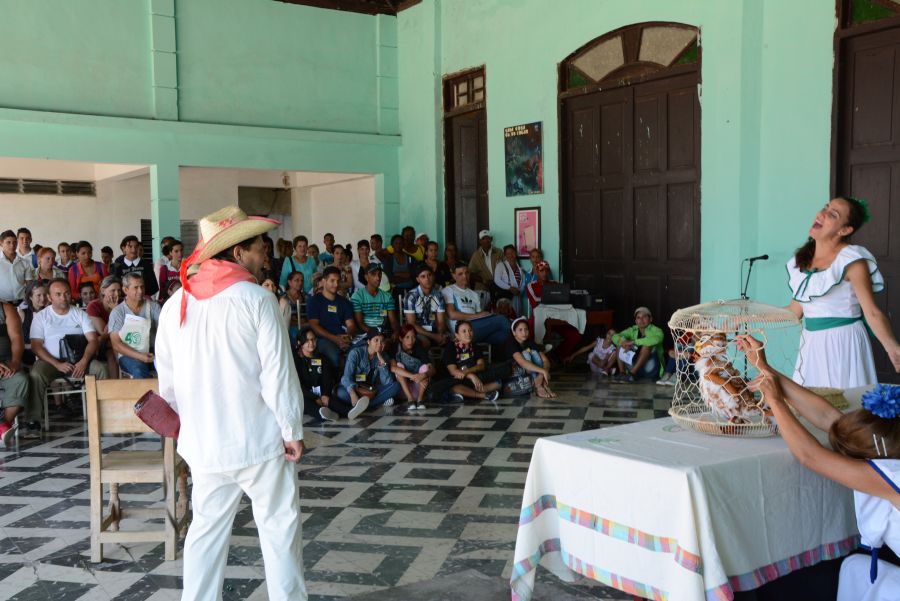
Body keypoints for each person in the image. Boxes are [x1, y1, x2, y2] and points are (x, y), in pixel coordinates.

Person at [155, 205, 307, 601]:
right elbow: (278, 374)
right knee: (279, 530)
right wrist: (292, 430)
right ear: (238, 253)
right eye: (259, 247)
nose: (265, 255)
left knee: (205, 533)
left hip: (205, 446)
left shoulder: (175, 306)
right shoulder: (257, 300)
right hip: (259, 442)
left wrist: (189, 427)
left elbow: (167, 384)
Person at [736, 335, 900, 601]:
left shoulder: (891, 477)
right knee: (853, 571)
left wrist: (776, 402)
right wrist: (764, 367)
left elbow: (810, 456)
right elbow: (829, 418)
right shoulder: (890, 446)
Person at [786, 196, 900, 387]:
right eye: (825, 207)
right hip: (812, 344)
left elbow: (872, 313)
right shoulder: (802, 261)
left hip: (844, 342)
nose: (822, 214)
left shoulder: (852, 259)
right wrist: (751, 318)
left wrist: (893, 348)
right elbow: (794, 312)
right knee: (810, 409)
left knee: (846, 409)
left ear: (845, 230)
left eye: (832, 214)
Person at [28, 278, 108, 421]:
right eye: (58, 294)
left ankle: (104, 415)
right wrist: (56, 364)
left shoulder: (80, 314)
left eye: (66, 293)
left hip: (79, 360)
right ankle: (33, 420)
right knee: (36, 374)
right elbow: (36, 346)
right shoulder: (41, 317)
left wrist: (84, 361)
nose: (63, 298)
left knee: (101, 369)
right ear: (49, 297)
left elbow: (93, 340)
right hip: (50, 362)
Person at [429, 321, 504, 403]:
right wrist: (471, 375)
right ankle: (484, 395)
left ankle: (464, 394)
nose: (468, 334)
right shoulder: (450, 348)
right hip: (452, 380)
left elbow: (481, 365)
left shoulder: (475, 347)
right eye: (464, 331)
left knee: (498, 383)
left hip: (470, 380)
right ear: (457, 335)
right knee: (455, 387)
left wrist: (468, 372)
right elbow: (454, 372)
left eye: (470, 330)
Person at [525, 260, 583, 360]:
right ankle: (535, 358)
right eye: (541, 271)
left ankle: (557, 355)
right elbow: (537, 303)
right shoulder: (531, 286)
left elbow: (563, 299)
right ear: (537, 272)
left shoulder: (555, 284)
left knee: (576, 335)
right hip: (538, 319)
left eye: (546, 271)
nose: (544, 273)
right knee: (527, 332)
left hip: (556, 318)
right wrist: (554, 298)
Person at [336, 330, 401, 418]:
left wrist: (382, 364)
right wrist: (352, 393)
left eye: (382, 341)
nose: (379, 344)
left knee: (396, 386)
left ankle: (362, 406)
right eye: (376, 340)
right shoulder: (356, 353)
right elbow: (346, 377)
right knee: (340, 393)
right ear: (368, 341)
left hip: (370, 391)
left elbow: (387, 382)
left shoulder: (384, 356)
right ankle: (369, 404)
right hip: (355, 389)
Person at [108, 273, 161, 378]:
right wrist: (140, 356)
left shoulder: (153, 307)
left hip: (152, 351)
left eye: (142, 287)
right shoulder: (118, 312)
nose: (140, 291)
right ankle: (146, 395)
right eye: (136, 288)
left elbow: (164, 330)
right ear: (125, 290)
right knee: (138, 370)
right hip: (128, 354)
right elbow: (116, 344)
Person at [442, 264, 510, 346]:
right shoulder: (448, 290)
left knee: (503, 336)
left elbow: (480, 317)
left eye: (467, 273)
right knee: (502, 320)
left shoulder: (474, 294)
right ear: (454, 276)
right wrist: (477, 316)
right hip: (461, 328)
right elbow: (451, 315)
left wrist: (487, 315)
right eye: (460, 274)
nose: (464, 276)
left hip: (476, 328)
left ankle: (495, 356)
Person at [293, 326, 347, 422]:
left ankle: (349, 411)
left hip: (321, 395)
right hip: (306, 396)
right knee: (304, 402)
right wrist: (314, 398)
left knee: (331, 400)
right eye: (307, 340)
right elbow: (297, 385)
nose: (311, 343)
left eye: (313, 340)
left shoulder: (322, 358)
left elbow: (328, 378)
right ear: (300, 343)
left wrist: (325, 394)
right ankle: (324, 414)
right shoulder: (296, 360)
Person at [307, 266, 356, 368]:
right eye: (332, 281)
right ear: (324, 281)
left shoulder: (344, 302)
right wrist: (334, 339)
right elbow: (313, 325)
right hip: (323, 339)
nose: (336, 284)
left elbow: (351, 325)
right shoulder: (314, 301)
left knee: (360, 351)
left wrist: (348, 336)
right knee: (334, 356)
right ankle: (336, 383)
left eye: (338, 281)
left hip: (343, 338)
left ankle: (352, 382)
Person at [0, 302, 30, 445]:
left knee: (20, 380)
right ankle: (2, 428)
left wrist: (15, 362)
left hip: (6, 363)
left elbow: (16, 338)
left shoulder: (5, 309)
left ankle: (2, 426)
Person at [505, 318, 556, 398]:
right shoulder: (510, 343)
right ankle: (539, 387)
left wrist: (542, 374)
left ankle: (542, 385)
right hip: (515, 371)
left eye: (526, 330)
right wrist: (542, 371)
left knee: (534, 353)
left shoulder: (530, 342)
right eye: (520, 330)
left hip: (530, 371)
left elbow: (545, 360)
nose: (524, 333)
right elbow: (522, 362)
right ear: (514, 332)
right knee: (525, 354)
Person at [613, 306, 665, 381]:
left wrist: (634, 342)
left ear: (650, 319)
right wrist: (624, 342)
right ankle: (622, 373)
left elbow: (656, 339)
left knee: (647, 345)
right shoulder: (632, 330)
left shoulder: (657, 330)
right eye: (638, 317)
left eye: (644, 317)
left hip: (650, 369)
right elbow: (615, 336)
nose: (641, 320)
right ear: (636, 321)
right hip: (633, 368)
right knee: (620, 344)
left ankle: (632, 374)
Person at [351, 263, 399, 344]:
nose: (378, 278)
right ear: (366, 277)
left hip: (383, 331)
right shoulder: (357, 296)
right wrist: (375, 333)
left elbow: (393, 321)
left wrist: (396, 331)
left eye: (379, 274)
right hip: (365, 334)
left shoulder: (387, 297)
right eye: (373, 274)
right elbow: (360, 323)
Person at [391, 324, 435, 411]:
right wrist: (412, 376)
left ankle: (420, 400)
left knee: (425, 368)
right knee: (399, 366)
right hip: (403, 390)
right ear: (401, 338)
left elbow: (432, 369)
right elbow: (393, 368)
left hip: (418, 388)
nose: (411, 341)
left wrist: (423, 375)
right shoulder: (395, 349)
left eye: (413, 337)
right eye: (407, 337)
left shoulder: (418, 348)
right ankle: (410, 400)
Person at [87, 275, 123, 380]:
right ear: (103, 291)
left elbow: (126, 328)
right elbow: (105, 332)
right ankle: (115, 389)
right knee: (112, 352)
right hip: (101, 344)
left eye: (119, 290)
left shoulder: (122, 304)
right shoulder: (93, 306)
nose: (117, 294)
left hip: (120, 341)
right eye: (113, 290)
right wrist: (115, 311)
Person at [403, 264, 448, 349]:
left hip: (434, 330)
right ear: (417, 279)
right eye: (423, 276)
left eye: (429, 275)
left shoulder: (438, 295)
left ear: (433, 276)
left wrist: (440, 334)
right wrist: (434, 336)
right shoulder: (411, 296)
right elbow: (411, 324)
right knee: (425, 342)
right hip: (418, 332)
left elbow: (441, 321)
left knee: (449, 340)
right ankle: (426, 362)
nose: (427, 279)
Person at [494, 244, 526, 315]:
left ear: (516, 253)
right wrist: (510, 288)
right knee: (507, 316)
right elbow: (497, 280)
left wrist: (519, 291)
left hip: (517, 297)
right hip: (505, 298)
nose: (510, 255)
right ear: (505, 256)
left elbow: (523, 283)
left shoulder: (520, 268)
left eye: (512, 253)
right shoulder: (501, 265)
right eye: (508, 254)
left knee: (517, 316)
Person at [0, 230, 29, 302]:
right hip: (3, 303)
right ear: (1, 243)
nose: (12, 245)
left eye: (14, 242)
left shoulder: (24, 262)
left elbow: (29, 283)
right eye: (8, 242)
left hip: (22, 301)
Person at [157, 239, 183, 303]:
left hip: (184, 300)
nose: (180, 253)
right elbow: (162, 289)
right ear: (170, 252)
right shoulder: (165, 269)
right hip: (169, 301)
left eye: (181, 250)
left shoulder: (187, 267)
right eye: (176, 251)